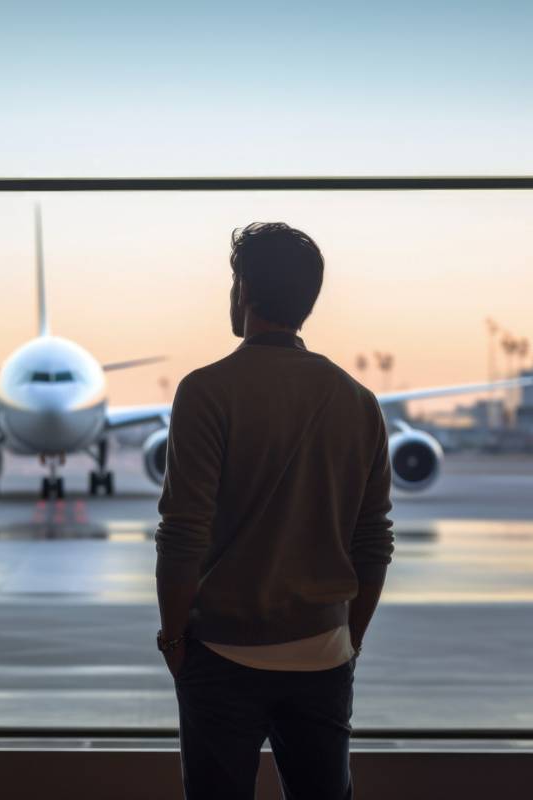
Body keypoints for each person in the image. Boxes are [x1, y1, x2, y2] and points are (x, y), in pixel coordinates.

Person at [155, 222, 394, 800]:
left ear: (243, 290)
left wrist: (173, 639)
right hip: (323, 650)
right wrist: (348, 639)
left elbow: (182, 535)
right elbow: (373, 543)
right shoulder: (359, 402)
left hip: (223, 650)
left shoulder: (206, 391)